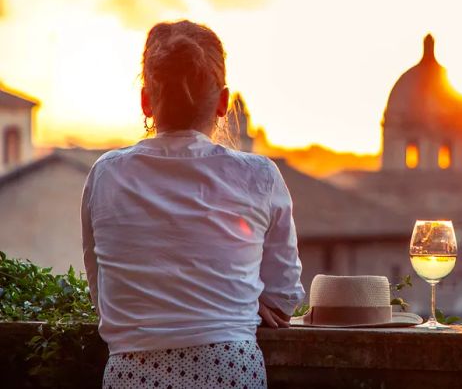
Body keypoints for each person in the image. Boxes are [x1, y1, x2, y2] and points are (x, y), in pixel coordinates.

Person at [81, 20, 304, 389]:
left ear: (146, 100)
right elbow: (283, 299)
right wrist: (238, 307)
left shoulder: (106, 175)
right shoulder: (260, 176)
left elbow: (102, 294)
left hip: (131, 374)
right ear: (222, 102)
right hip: (231, 372)